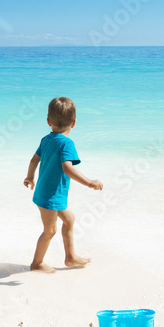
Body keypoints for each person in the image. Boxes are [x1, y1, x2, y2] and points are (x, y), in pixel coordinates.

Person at [23, 97, 103, 273]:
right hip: (50, 197)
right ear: (74, 123)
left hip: (48, 193)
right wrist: (89, 182)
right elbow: (67, 168)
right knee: (49, 231)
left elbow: (34, 159)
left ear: (48, 121)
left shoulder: (46, 140)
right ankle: (37, 263)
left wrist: (30, 176)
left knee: (69, 219)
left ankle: (70, 256)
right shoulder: (67, 144)